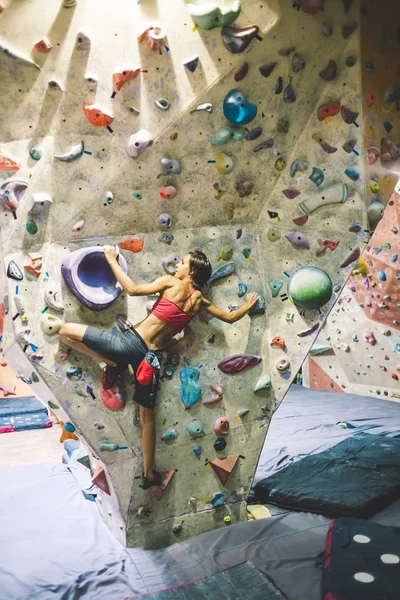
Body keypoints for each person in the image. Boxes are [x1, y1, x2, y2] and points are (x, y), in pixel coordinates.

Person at [59, 247, 259, 489]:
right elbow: (230, 317)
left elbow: (132, 289)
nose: (178, 265)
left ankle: (112, 363)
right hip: (150, 359)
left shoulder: (170, 283)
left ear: (192, 270)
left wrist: (111, 260)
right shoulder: (200, 301)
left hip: (128, 344)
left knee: (65, 332)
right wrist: (248, 305)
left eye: (183, 262)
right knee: (148, 420)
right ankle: (149, 474)